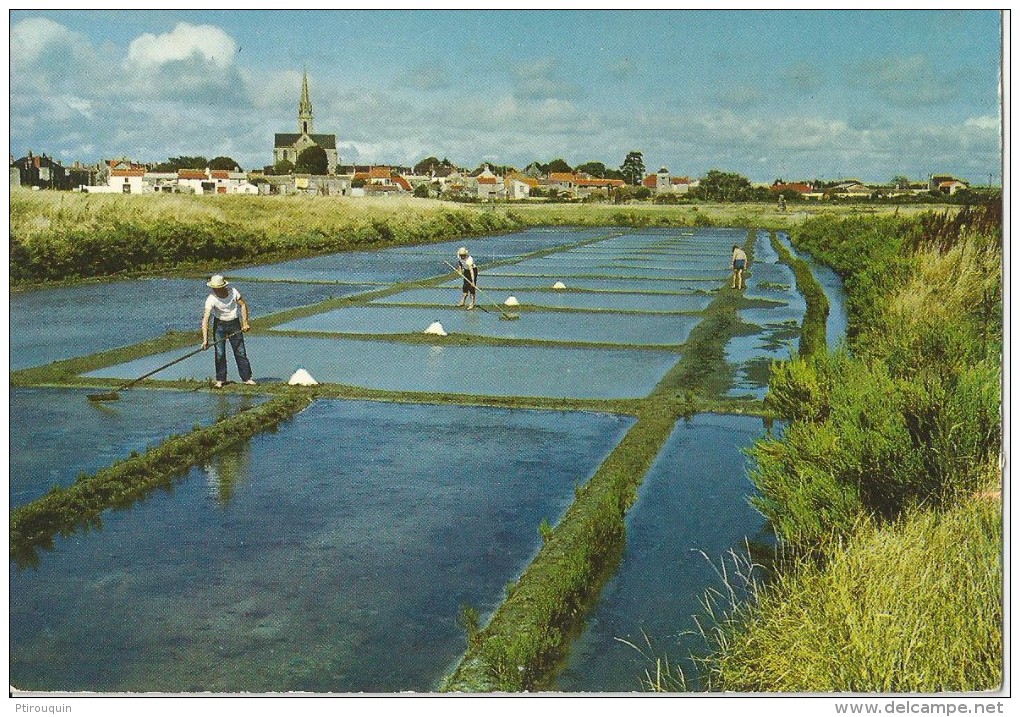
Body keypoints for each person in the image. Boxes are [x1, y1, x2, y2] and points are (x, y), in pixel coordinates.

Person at [202, 274, 256, 388]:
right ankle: (220, 379)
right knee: (220, 353)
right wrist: (205, 340)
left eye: (217, 288)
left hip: (234, 323)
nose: (215, 290)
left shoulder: (233, 292)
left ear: (223, 286)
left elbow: (243, 305)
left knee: (240, 351)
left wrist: (245, 322)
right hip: (219, 326)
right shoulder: (211, 299)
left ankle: (247, 378)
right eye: (213, 288)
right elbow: (206, 319)